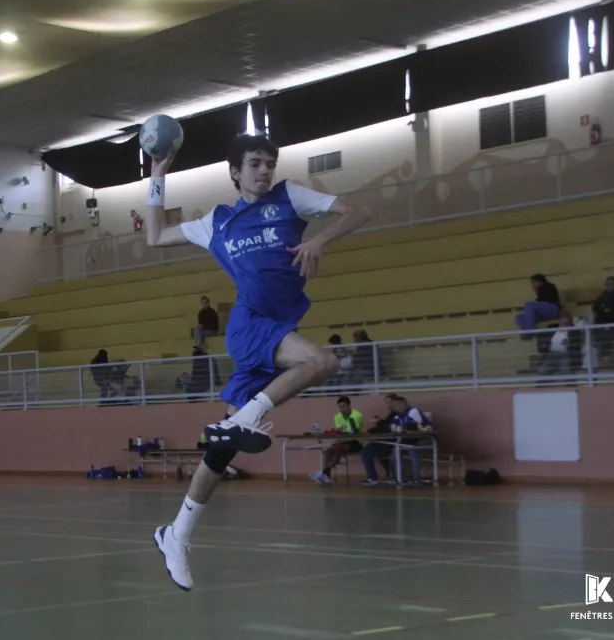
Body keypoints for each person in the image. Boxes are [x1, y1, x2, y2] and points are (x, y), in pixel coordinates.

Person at [145, 133, 371, 591]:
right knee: (322, 361)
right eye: (254, 163)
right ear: (235, 172)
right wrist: (157, 174)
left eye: (269, 163)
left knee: (221, 451)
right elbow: (153, 236)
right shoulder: (217, 222)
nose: (264, 170)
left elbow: (359, 211)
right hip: (251, 325)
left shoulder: (291, 197)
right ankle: (244, 421)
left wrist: (321, 240)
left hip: (276, 329)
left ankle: (176, 534)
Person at [360, 394, 431, 486]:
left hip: (424, 440)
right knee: (396, 450)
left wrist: (401, 428)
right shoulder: (398, 416)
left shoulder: (413, 411)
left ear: (403, 403)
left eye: (395, 404)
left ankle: (416, 478)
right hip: (406, 441)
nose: (394, 407)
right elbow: (392, 427)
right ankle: (401, 478)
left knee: (412, 449)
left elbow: (415, 426)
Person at [310, 396, 364, 485]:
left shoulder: (356, 415)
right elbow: (339, 432)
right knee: (329, 450)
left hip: (356, 442)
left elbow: (354, 433)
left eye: (344, 406)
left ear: (349, 406)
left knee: (338, 449)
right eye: (340, 406)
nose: (341, 409)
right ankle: (326, 476)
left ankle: (324, 473)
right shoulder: (337, 417)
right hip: (342, 441)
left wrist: (341, 436)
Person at [591, 276, 614, 359]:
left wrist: (605, 308)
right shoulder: (603, 295)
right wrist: (605, 309)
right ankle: (601, 354)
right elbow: (595, 307)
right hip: (603, 321)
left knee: (607, 333)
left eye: (610, 284)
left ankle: (606, 354)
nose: (608, 286)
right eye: (606, 284)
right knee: (595, 330)